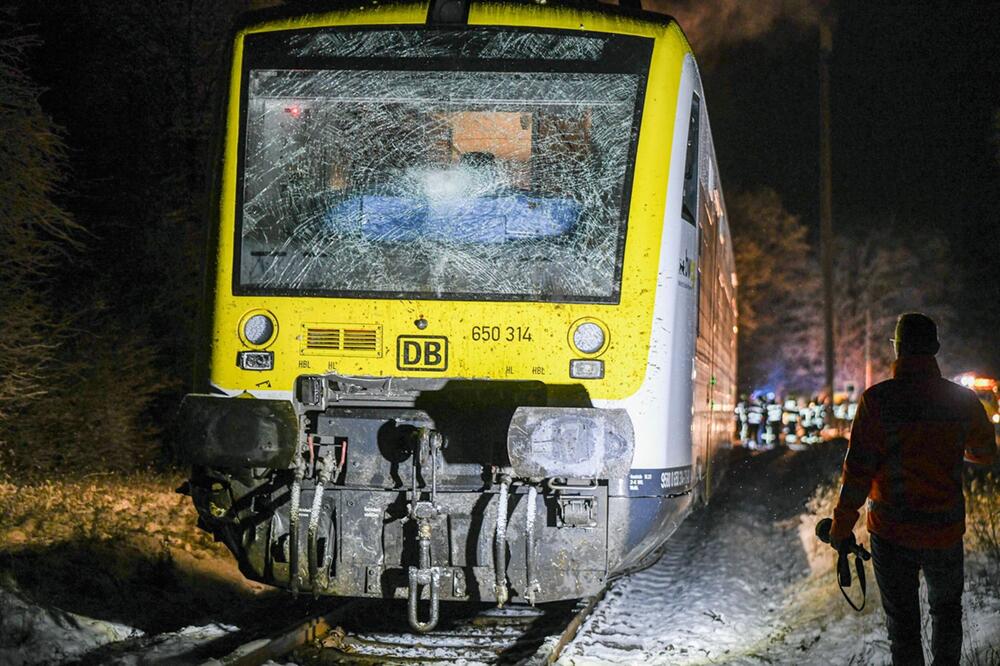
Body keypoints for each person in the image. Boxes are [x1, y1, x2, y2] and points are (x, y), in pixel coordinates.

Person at [829, 312, 996, 665]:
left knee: (903, 629)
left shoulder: (877, 401)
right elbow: (985, 454)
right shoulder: (962, 401)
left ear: (898, 349)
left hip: (892, 534)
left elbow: (858, 471)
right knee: (947, 614)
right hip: (945, 531)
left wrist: (840, 527)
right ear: (934, 348)